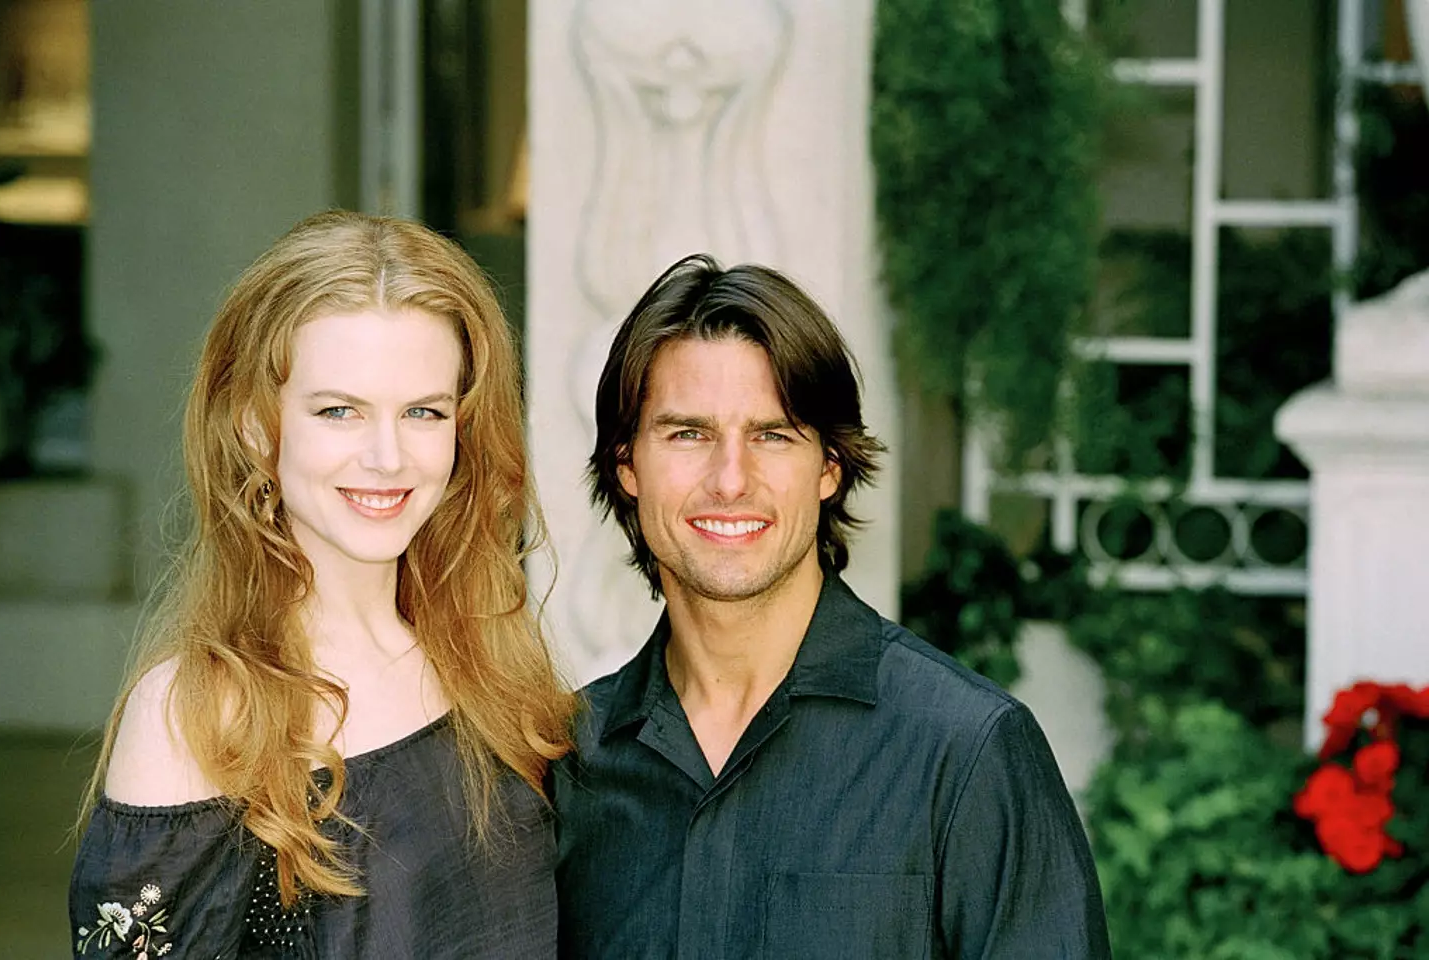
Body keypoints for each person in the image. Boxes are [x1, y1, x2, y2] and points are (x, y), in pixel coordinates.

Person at [552, 254, 1112, 958]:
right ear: (627, 464)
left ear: (829, 468)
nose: (731, 480)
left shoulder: (965, 752)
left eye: (773, 435)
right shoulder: (568, 764)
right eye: (688, 433)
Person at [70, 211, 574, 958]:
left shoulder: (495, 661)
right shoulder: (198, 715)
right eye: (340, 411)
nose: (387, 456)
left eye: (423, 412)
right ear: (252, 425)